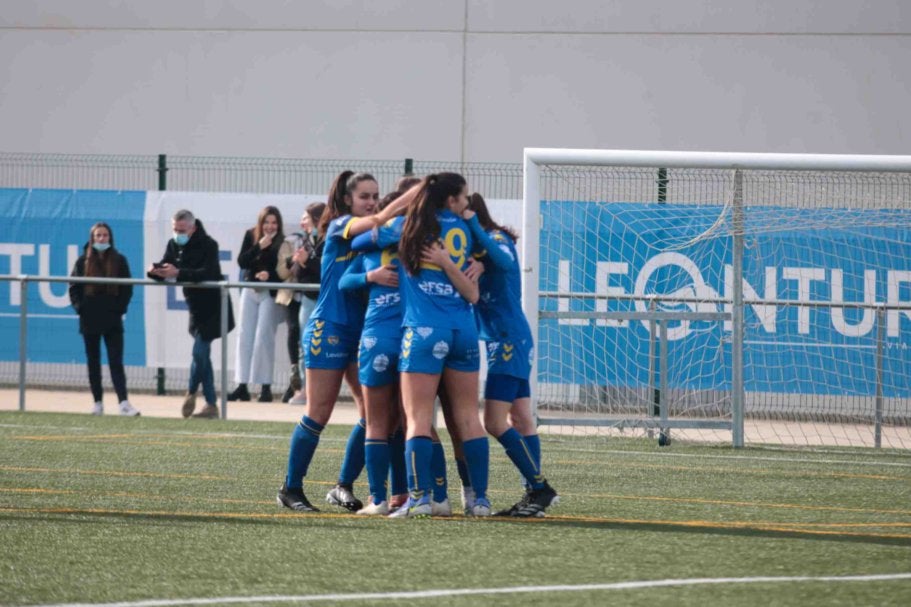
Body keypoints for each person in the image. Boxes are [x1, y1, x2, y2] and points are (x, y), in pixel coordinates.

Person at [276, 172, 413, 512]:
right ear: (349, 199)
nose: (371, 201)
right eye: (365, 196)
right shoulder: (341, 226)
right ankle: (290, 489)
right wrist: (415, 195)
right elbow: (379, 223)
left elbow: (389, 230)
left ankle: (343, 486)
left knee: (373, 415)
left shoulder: (376, 235)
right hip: (330, 327)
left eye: (375, 195)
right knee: (319, 411)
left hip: (361, 332)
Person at [393, 172, 491, 518]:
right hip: (463, 331)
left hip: (423, 331)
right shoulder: (464, 232)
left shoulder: (409, 227)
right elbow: (479, 274)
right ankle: (479, 500)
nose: (467, 202)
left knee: (417, 419)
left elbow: (364, 236)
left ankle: (420, 499)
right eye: (464, 197)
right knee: (468, 418)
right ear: (451, 200)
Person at [464, 192, 559, 517]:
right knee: (521, 418)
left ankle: (539, 487)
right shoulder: (474, 248)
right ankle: (534, 496)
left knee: (493, 421)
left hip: (507, 340)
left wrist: (474, 230)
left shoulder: (495, 238)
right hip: (506, 339)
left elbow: (503, 259)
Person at [148, 209, 235, 419]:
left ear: (193, 228)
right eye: (175, 229)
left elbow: (207, 273)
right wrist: (154, 271)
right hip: (195, 308)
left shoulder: (209, 244)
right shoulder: (173, 244)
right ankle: (211, 404)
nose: (178, 233)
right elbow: (167, 268)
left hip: (214, 306)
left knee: (198, 352)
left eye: (182, 230)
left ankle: (190, 391)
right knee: (203, 356)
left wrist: (178, 272)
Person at [68, 222, 140, 416]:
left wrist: (119, 308)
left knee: (116, 361)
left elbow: (127, 288)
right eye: (98, 236)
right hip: (89, 318)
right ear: (92, 239)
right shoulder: (82, 261)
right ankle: (97, 403)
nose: (101, 239)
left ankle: (123, 403)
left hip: (112, 318)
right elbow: (73, 287)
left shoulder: (119, 260)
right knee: (93, 361)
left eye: (105, 235)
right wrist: (80, 308)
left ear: (110, 238)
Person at [228, 206, 284, 403]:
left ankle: (265, 386)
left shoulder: (282, 242)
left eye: (274, 222)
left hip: (269, 293)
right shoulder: (251, 236)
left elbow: (284, 272)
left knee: (264, 337)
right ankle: (241, 385)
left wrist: (269, 275)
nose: (270, 226)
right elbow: (242, 261)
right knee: (244, 335)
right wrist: (259, 246)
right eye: (266, 222)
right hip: (250, 290)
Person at [275, 202, 326, 404]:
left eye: (306, 218)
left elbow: (327, 271)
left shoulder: (329, 240)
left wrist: (307, 262)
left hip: (325, 299)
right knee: (306, 345)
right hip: (307, 298)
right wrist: (301, 262)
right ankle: (306, 390)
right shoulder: (306, 241)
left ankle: (321, 392)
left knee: (325, 346)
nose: (302, 222)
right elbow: (296, 272)